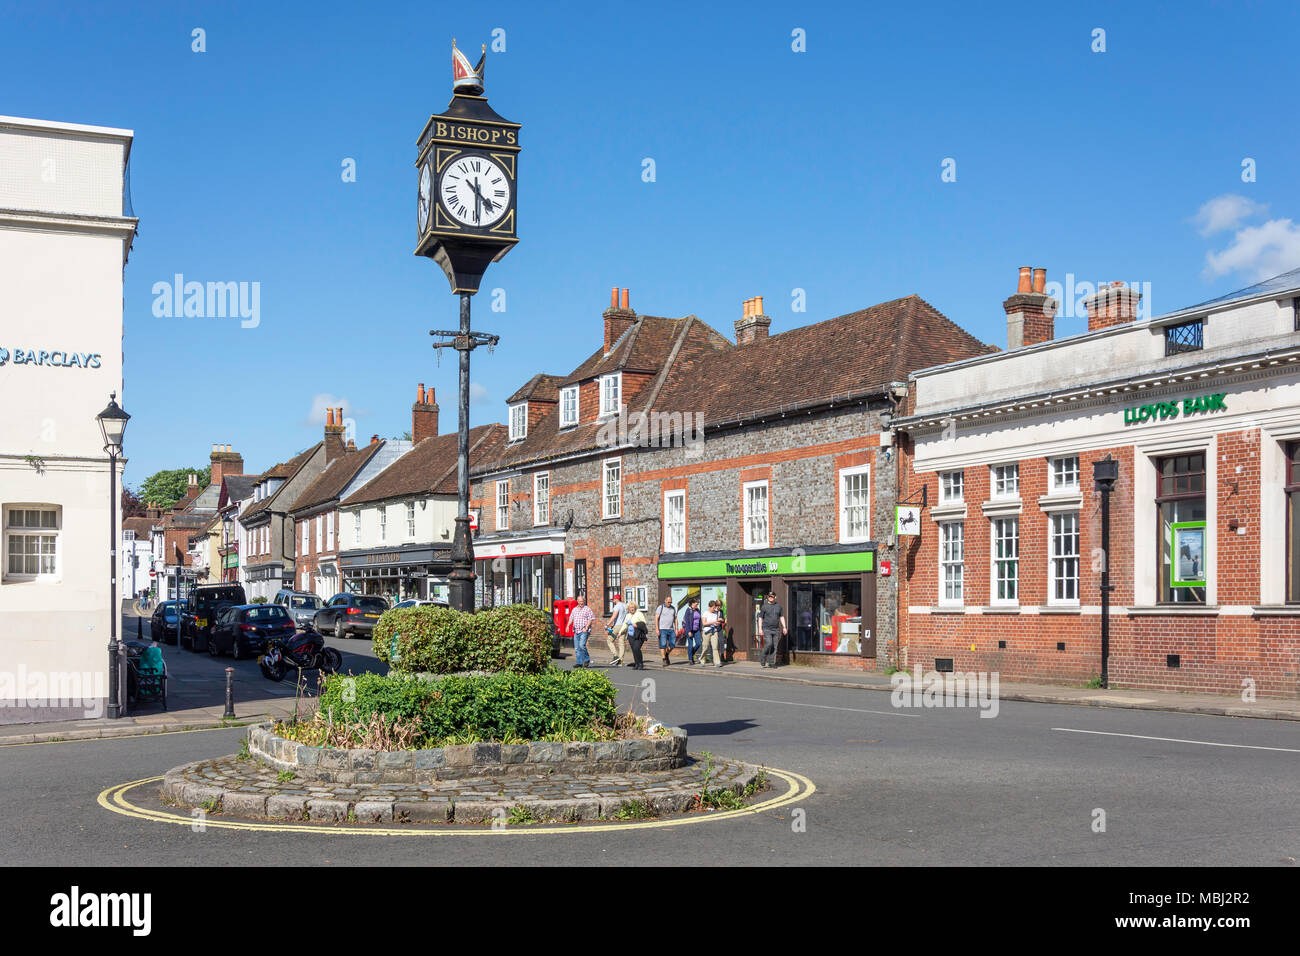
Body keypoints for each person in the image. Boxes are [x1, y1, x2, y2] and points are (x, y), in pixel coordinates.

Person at [758, 591, 787, 668]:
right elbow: (760, 618)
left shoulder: (779, 607)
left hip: (776, 629)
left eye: (772, 596)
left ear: (775, 597)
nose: (771, 598)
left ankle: (771, 662)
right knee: (769, 643)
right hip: (766, 628)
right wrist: (760, 629)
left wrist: (784, 627)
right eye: (769, 596)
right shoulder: (764, 606)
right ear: (768, 597)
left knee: (775, 646)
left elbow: (781, 617)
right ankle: (763, 657)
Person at [569, 594, 595, 669]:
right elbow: (571, 618)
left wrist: (586, 627)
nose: (581, 603)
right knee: (577, 648)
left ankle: (586, 659)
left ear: (584, 601)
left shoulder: (587, 609)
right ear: (577, 601)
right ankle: (579, 663)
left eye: (582, 601)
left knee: (581, 645)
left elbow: (590, 619)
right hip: (576, 631)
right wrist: (568, 626)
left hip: (584, 630)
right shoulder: (574, 609)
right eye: (579, 601)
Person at [604, 593, 627, 666]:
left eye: (613, 599)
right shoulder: (625, 605)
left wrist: (607, 624)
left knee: (609, 640)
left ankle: (615, 655)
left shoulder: (617, 606)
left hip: (617, 626)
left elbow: (614, 616)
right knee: (621, 643)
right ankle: (620, 661)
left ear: (616, 599)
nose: (613, 601)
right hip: (624, 626)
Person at [655, 596, 678, 667]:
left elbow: (675, 619)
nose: (669, 603)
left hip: (671, 629)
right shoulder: (660, 607)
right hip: (662, 629)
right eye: (668, 602)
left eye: (671, 602)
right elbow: (656, 618)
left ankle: (667, 654)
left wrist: (676, 629)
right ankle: (664, 659)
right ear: (665, 601)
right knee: (663, 644)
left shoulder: (673, 608)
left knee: (672, 644)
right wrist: (657, 629)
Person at [625, 601, 648, 669]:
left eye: (633, 607)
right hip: (631, 635)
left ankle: (640, 663)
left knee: (636, 648)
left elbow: (644, 622)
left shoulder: (639, 614)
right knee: (634, 650)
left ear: (635, 608)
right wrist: (620, 633)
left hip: (639, 634)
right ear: (628, 609)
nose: (632, 609)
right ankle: (637, 664)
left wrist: (637, 625)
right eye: (630, 607)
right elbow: (625, 625)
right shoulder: (628, 615)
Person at [701, 599, 723, 667]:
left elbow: (715, 623)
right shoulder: (705, 613)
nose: (715, 609)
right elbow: (704, 623)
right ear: (710, 607)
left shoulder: (715, 614)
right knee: (705, 647)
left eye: (715, 607)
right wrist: (714, 622)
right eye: (713, 608)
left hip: (714, 631)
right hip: (707, 631)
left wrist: (718, 622)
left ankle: (717, 662)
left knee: (715, 647)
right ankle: (702, 659)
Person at [683, 598, 703, 664]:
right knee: (690, 645)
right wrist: (688, 631)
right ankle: (690, 659)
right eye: (696, 603)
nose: (697, 604)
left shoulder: (697, 610)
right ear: (692, 603)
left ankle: (691, 654)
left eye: (697, 603)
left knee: (698, 643)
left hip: (697, 630)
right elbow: (687, 622)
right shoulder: (688, 610)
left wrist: (701, 629)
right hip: (690, 630)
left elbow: (700, 620)